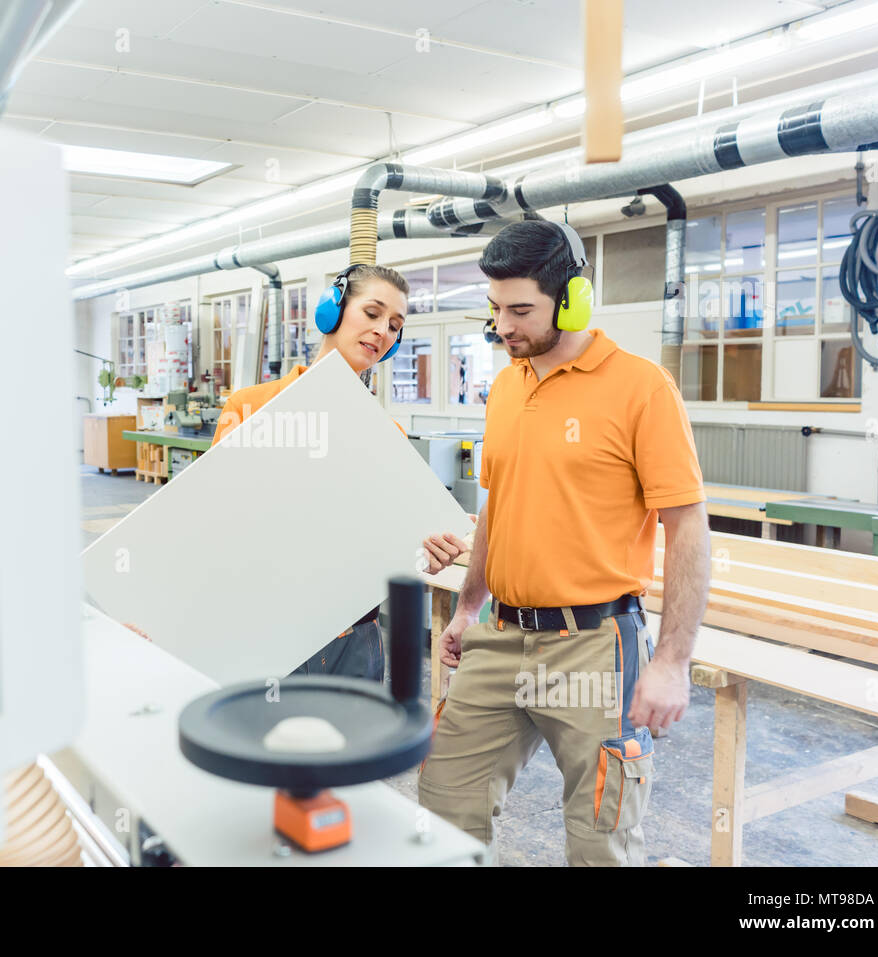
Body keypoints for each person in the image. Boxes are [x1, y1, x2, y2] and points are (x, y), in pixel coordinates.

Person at [417, 220, 711, 866]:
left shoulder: (641, 389)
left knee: (601, 835)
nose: (502, 327)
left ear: (573, 298)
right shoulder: (506, 387)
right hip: (498, 637)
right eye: (494, 309)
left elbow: (688, 526)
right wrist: (468, 606)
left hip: (593, 647)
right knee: (440, 811)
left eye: (520, 310)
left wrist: (672, 660)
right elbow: (497, 506)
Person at [211, 263, 469, 682]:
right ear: (332, 311)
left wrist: (426, 555)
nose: (383, 331)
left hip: (354, 638)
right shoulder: (252, 408)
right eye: (372, 313)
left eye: (394, 325)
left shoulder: (387, 435)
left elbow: (392, 553)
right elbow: (216, 521)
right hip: (264, 629)